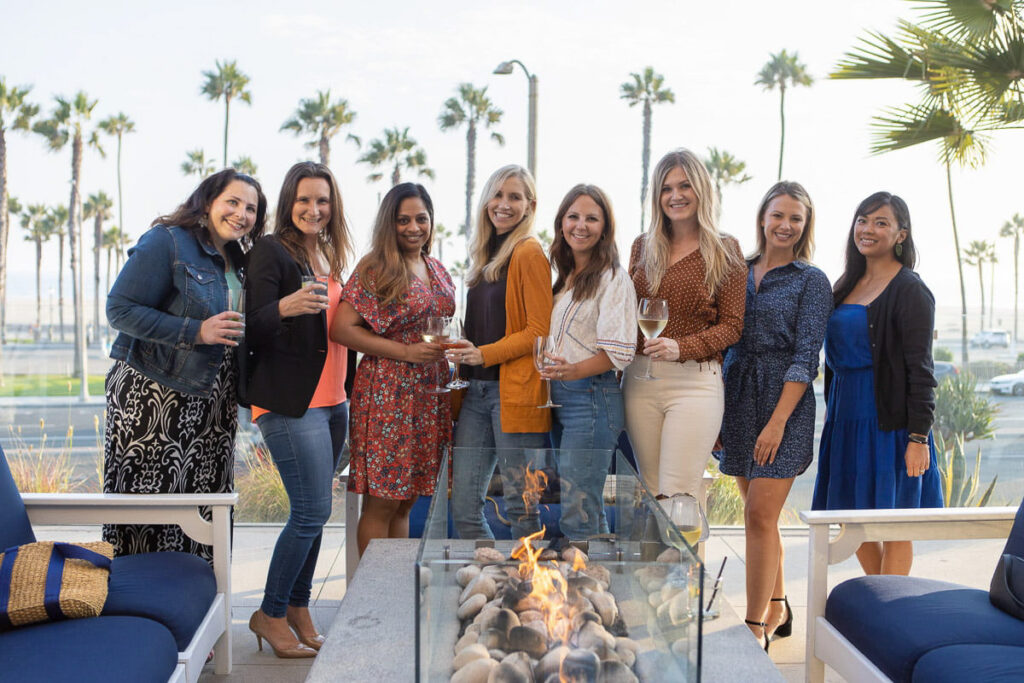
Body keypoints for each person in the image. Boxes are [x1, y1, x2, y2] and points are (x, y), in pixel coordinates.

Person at [104, 168, 266, 562]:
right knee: (149, 509)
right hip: (154, 396)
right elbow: (120, 309)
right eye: (233, 202)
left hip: (214, 401)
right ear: (208, 201)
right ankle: (140, 604)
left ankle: (200, 602)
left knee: (206, 507)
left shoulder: (240, 259)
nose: (241, 214)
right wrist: (196, 331)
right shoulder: (168, 241)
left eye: (251, 208)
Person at [242, 161, 354, 658]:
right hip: (291, 402)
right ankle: (269, 613)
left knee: (315, 512)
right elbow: (252, 322)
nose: (314, 209)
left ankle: (298, 608)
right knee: (311, 511)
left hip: (334, 401)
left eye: (323, 200)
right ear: (289, 202)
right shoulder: (271, 250)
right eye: (305, 199)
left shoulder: (330, 253)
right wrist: (285, 308)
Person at [719, 181, 832, 650]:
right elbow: (723, 337)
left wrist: (778, 421)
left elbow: (808, 355)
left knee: (760, 514)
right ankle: (780, 602)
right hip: (737, 396)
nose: (785, 225)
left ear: (805, 226)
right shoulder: (735, 270)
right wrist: (717, 415)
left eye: (796, 218)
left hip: (784, 403)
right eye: (778, 215)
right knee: (758, 515)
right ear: (762, 217)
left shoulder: (812, 280)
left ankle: (752, 627)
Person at [812, 192, 943, 575]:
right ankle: (877, 596)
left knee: (895, 525)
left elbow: (921, 370)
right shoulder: (844, 285)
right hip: (845, 418)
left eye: (881, 223)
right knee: (852, 520)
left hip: (890, 424)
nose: (868, 229)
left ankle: (889, 613)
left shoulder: (910, 289)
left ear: (901, 234)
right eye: (863, 220)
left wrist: (918, 439)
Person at [623, 148, 747, 534]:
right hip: (640, 382)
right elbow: (627, 313)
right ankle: (655, 586)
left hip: (695, 383)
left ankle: (680, 590)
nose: (675, 195)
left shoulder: (725, 249)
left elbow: (732, 326)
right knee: (653, 493)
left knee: (679, 497)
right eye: (666, 188)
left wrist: (682, 347)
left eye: (684, 185)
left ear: (701, 190)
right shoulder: (642, 247)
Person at [332, 183, 455, 555]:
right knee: (383, 500)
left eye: (421, 218)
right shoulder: (376, 267)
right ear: (390, 223)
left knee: (406, 500)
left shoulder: (435, 267)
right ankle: (369, 598)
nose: (413, 227)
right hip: (388, 392)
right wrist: (404, 351)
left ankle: (394, 588)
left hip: (429, 394)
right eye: (403, 220)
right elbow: (341, 328)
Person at [448, 165, 553, 540]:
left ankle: (529, 592)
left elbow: (539, 332)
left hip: (513, 394)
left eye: (514, 197)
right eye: (497, 194)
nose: (503, 204)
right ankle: (493, 584)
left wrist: (484, 354)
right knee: (463, 510)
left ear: (530, 205)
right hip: (475, 394)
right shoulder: (484, 257)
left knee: (520, 508)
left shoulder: (529, 252)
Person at [539, 184, 637, 540]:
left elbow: (620, 351)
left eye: (591, 219)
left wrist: (573, 371)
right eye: (573, 216)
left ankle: (578, 590)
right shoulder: (563, 280)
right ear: (561, 223)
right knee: (584, 506)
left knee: (578, 510)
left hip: (592, 398)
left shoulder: (613, 278)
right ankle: (599, 585)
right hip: (559, 397)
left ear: (605, 228)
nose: (581, 226)